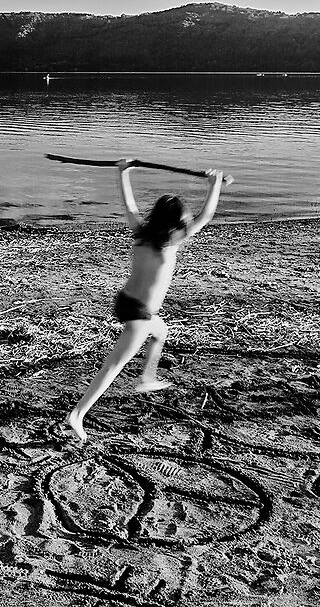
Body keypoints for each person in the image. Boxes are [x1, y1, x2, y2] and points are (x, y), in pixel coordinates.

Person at [65, 160, 226, 442]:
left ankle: (147, 377)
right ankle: (77, 414)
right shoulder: (172, 241)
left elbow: (129, 205)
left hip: (126, 302)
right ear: (177, 222)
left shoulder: (141, 233)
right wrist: (214, 186)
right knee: (113, 366)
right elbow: (207, 215)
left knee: (161, 331)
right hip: (139, 313)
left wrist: (122, 172)